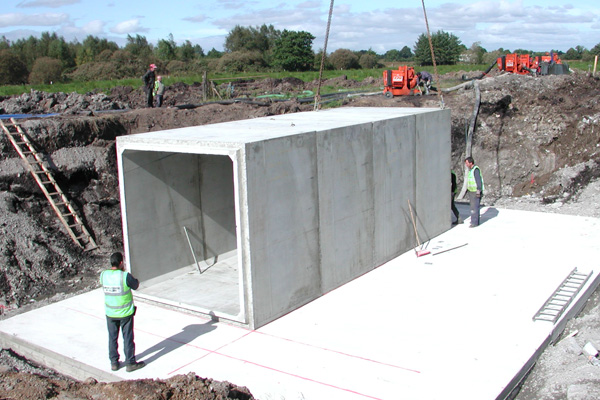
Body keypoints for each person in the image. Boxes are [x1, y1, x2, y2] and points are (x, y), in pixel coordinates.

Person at [100, 252, 145, 372]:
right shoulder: (124, 276)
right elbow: (135, 285)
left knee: (112, 338)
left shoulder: (104, 275)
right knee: (128, 338)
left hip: (110, 313)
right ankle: (130, 363)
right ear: (121, 263)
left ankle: (114, 363)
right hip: (125, 313)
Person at [465, 156, 484, 228]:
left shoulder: (475, 170)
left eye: (467, 163)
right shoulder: (471, 170)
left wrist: (478, 190)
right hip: (471, 191)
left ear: (471, 163)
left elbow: (478, 180)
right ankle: (475, 221)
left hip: (475, 192)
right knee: (474, 207)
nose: (466, 165)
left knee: (474, 207)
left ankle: (474, 223)